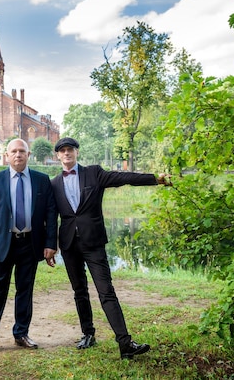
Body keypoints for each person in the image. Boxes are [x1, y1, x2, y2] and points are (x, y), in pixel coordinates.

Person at [51, 137, 171, 360]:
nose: (67, 153)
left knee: (106, 291)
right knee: (79, 291)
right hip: (68, 244)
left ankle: (125, 343)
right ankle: (88, 334)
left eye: (70, 150)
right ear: (58, 155)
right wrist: (49, 246)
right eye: (62, 150)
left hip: (93, 241)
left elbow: (124, 177)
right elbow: (50, 217)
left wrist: (155, 179)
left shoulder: (93, 173)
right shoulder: (54, 183)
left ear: (76, 153)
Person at [0, 138, 58, 357]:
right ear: (7, 155)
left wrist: (50, 244)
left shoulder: (41, 180)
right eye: (14, 151)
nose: (18, 154)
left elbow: (50, 213)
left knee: (25, 290)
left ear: (28, 155)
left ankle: (21, 334)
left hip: (30, 244)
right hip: (3, 244)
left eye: (22, 151)